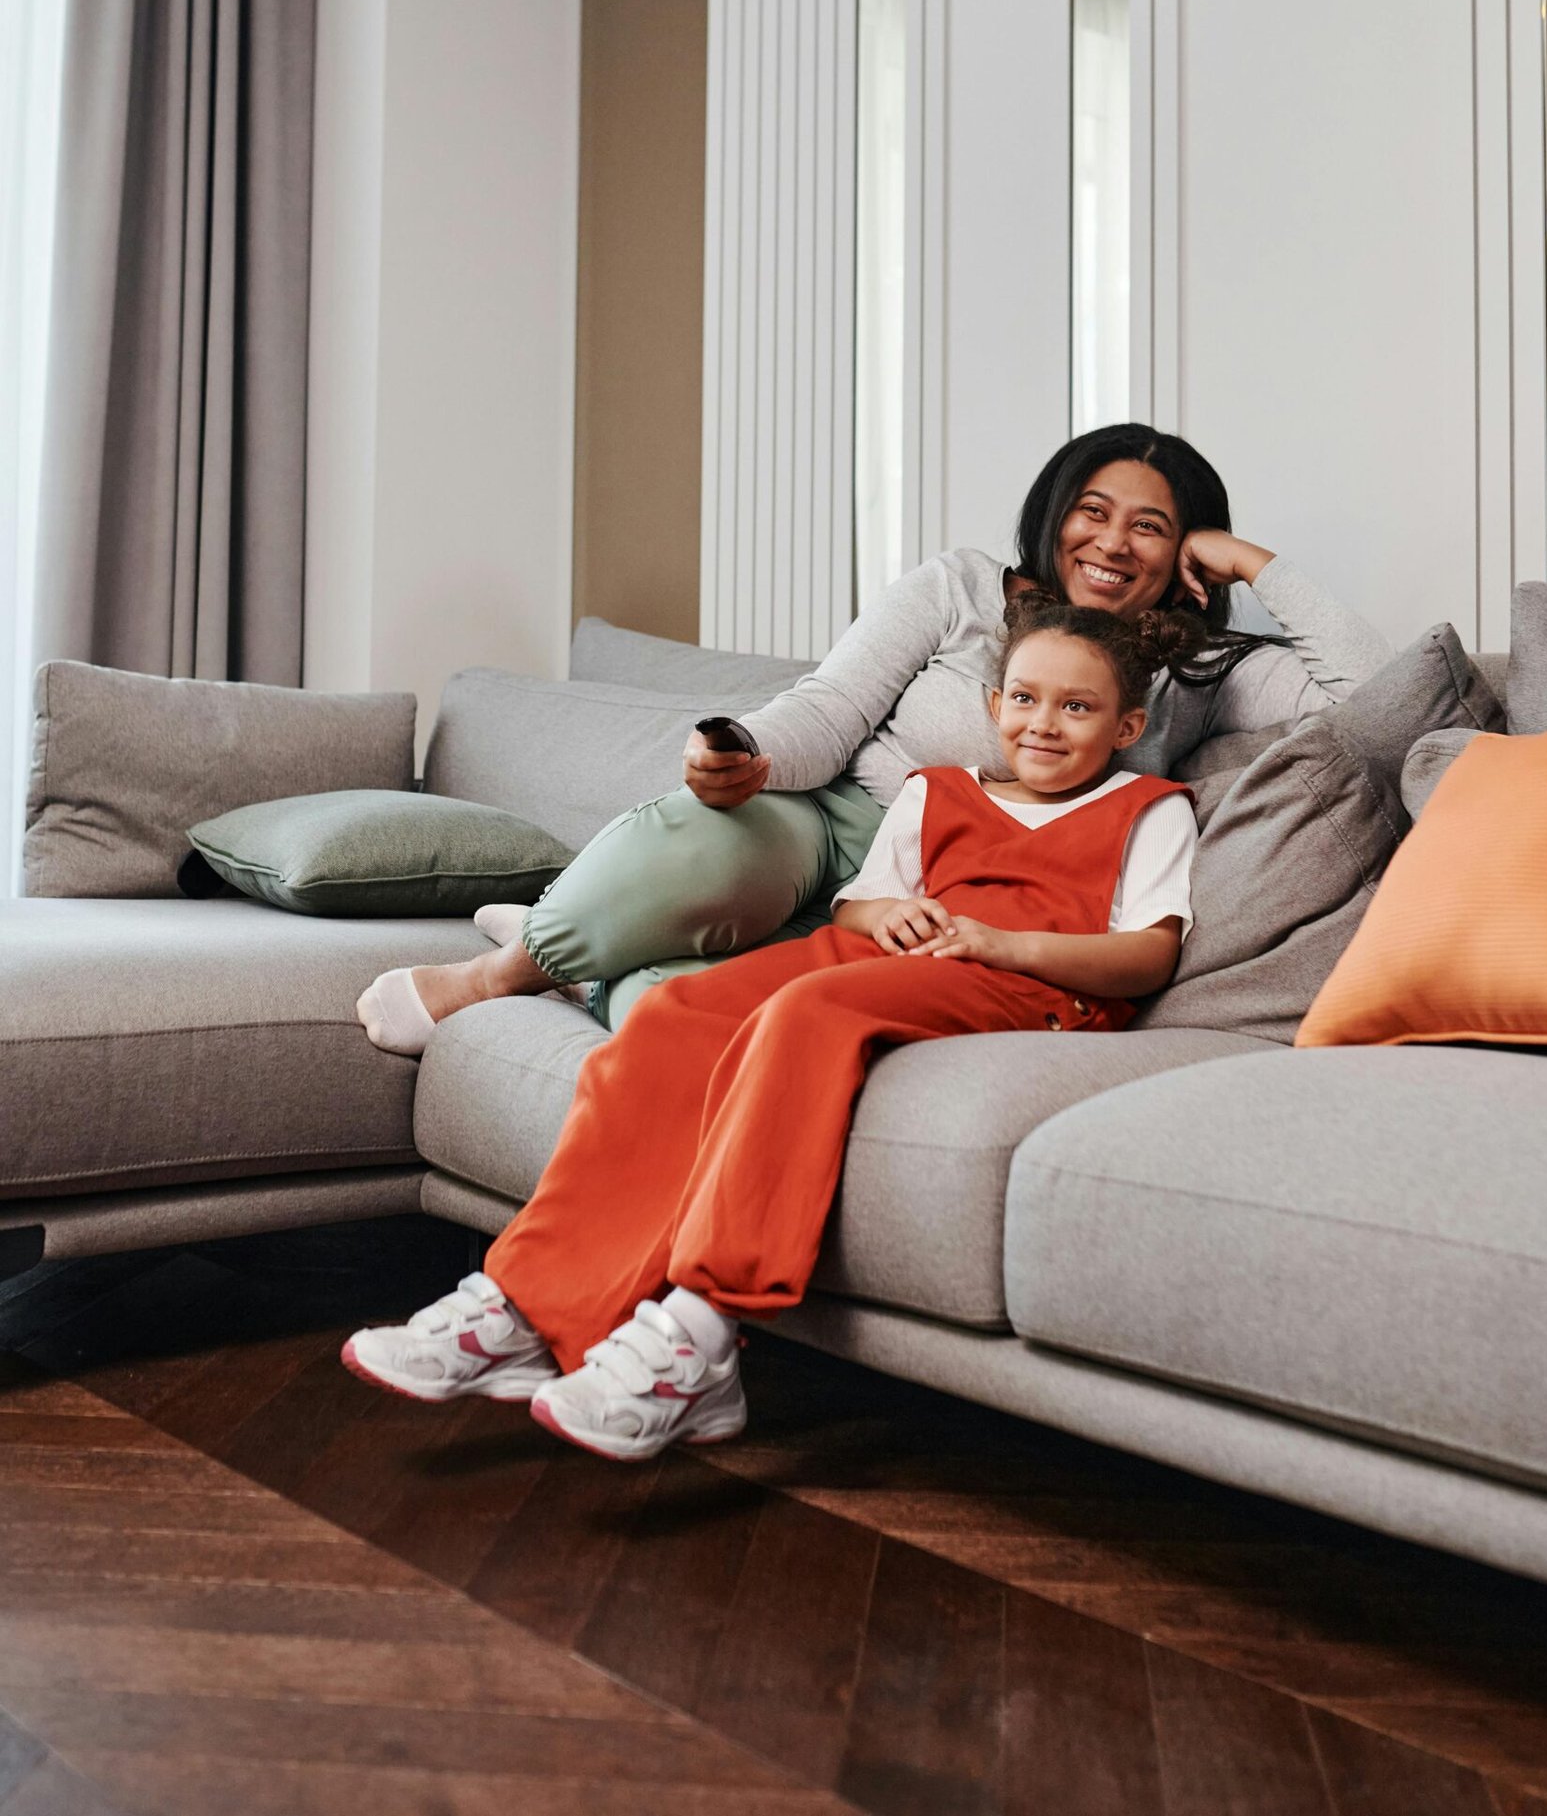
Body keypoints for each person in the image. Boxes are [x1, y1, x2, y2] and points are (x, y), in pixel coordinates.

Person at [342, 597, 1205, 1456]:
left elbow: (1148, 955)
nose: (1043, 723)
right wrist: (887, 916)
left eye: (1077, 706)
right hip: (887, 958)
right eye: (1024, 697)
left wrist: (1003, 943)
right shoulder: (935, 791)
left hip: (1029, 982)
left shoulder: (1149, 806)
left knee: (805, 1015)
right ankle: (524, 1306)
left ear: (1128, 725)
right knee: (679, 1012)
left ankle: (701, 1335)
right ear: (992, 704)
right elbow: (859, 903)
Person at [355, 422, 1391, 1053]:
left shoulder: (1198, 669)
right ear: (1054, 514)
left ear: (1184, 550)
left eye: (1150, 525)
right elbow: (830, 705)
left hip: (956, 903)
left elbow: (1386, 702)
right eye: (1092, 510)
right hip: (843, 822)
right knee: (701, 841)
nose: (1111, 541)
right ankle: (498, 976)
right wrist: (751, 753)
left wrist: (1252, 562)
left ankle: (590, 958)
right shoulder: (962, 588)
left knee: (693, 1015)